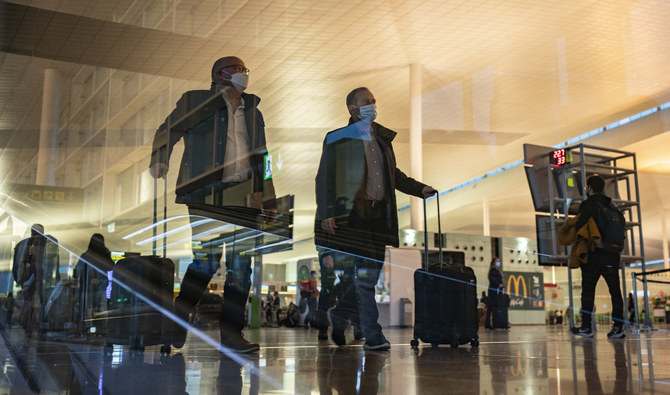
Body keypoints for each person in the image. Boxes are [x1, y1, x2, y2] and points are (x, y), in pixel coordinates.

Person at [149, 56, 276, 353]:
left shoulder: (253, 111)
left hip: (245, 198)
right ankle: (180, 316)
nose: (245, 74)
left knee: (242, 268)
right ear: (220, 74)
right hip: (206, 194)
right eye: (239, 69)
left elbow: (264, 157)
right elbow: (168, 130)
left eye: (245, 70)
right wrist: (160, 160)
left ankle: (232, 335)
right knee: (206, 262)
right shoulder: (195, 101)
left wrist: (268, 196)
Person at [314, 87, 437, 350]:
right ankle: (373, 336)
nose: (373, 104)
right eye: (366, 102)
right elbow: (324, 176)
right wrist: (326, 213)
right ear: (353, 109)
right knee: (363, 279)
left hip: (378, 219)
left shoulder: (381, 139)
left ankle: (341, 313)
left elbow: (395, 175)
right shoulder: (338, 138)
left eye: (374, 101)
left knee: (368, 277)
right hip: (351, 218)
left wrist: (420, 189)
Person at [571, 175, 626, 339]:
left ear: (588, 188)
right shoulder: (613, 206)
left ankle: (586, 327)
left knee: (588, 292)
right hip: (612, 255)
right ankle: (618, 328)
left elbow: (581, 229)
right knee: (615, 292)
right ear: (603, 188)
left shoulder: (587, 205)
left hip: (594, 255)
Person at [74, 234, 113, 329]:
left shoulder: (86, 255)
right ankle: (103, 327)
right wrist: (108, 254)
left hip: (88, 287)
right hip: (101, 287)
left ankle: (88, 327)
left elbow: (76, 272)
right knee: (102, 308)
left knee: (88, 307)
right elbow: (111, 267)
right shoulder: (104, 256)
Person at [485, 257, 504, 329]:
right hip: (494, 291)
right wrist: (499, 284)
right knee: (491, 308)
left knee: (491, 308)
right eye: (497, 261)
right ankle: (490, 324)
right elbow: (493, 279)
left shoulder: (495, 270)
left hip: (494, 291)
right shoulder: (493, 270)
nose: (499, 262)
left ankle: (490, 324)